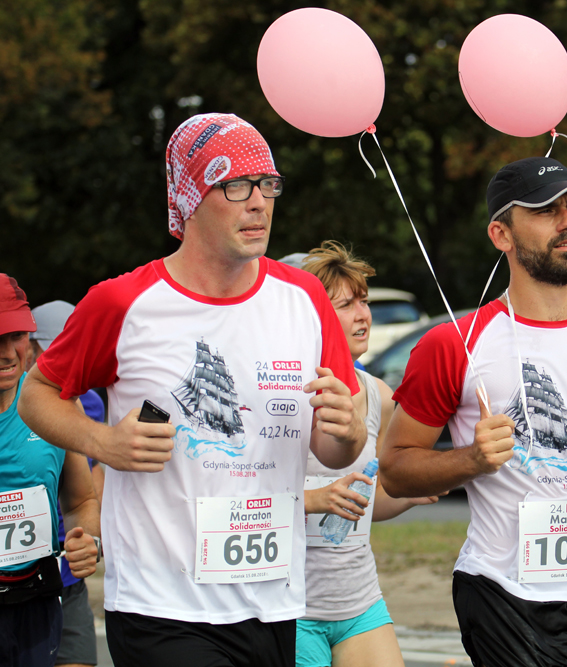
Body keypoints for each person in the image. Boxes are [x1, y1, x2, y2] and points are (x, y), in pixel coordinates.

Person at [17, 113, 365, 667]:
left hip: (271, 597)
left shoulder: (304, 298)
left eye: (268, 184)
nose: (259, 202)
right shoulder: (122, 302)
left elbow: (331, 449)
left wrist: (347, 433)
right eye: (236, 185)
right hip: (162, 602)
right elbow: (35, 394)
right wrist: (103, 443)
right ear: (190, 195)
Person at [380, 156, 567, 667]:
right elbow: (393, 471)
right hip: (502, 596)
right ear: (501, 234)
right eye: (545, 210)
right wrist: (469, 461)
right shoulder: (453, 344)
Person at [295, 240, 439, 667]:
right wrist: (317, 499)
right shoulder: (286, 392)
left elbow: (365, 502)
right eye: (346, 305)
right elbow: (249, 496)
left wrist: (409, 494)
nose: (364, 316)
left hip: (360, 602)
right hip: (292, 608)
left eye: (364, 302)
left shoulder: (379, 395)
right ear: (315, 318)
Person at [1, 275, 100, 667]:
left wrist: (86, 538)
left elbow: (81, 500)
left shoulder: (56, 404)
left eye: (18, 336)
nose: (9, 353)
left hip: (36, 600)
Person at [27, 300, 106, 667]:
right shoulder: (24, 400)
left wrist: (91, 537)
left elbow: (93, 475)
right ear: (31, 346)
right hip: (18, 571)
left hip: (64, 564)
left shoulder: (89, 400)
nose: (68, 356)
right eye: (53, 347)